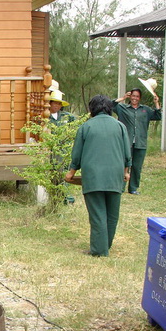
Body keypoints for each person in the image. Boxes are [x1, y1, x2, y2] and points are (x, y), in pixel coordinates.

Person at [65, 95, 131, 257]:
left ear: (92, 109)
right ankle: (105, 245)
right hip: (115, 175)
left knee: (97, 214)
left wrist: (71, 173)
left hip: (93, 176)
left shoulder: (86, 126)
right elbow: (127, 153)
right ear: (109, 108)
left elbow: (77, 154)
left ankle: (99, 250)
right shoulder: (120, 126)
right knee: (112, 214)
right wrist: (126, 172)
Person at [112, 84, 161, 195]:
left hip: (140, 142)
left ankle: (133, 188)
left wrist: (156, 103)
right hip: (126, 142)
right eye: (133, 96)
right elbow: (111, 105)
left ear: (140, 98)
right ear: (130, 96)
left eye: (137, 96)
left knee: (137, 167)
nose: (135, 98)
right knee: (124, 165)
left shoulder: (145, 110)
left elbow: (158, 116)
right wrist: (123, 98)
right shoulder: (123, 108)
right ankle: (120, 187)